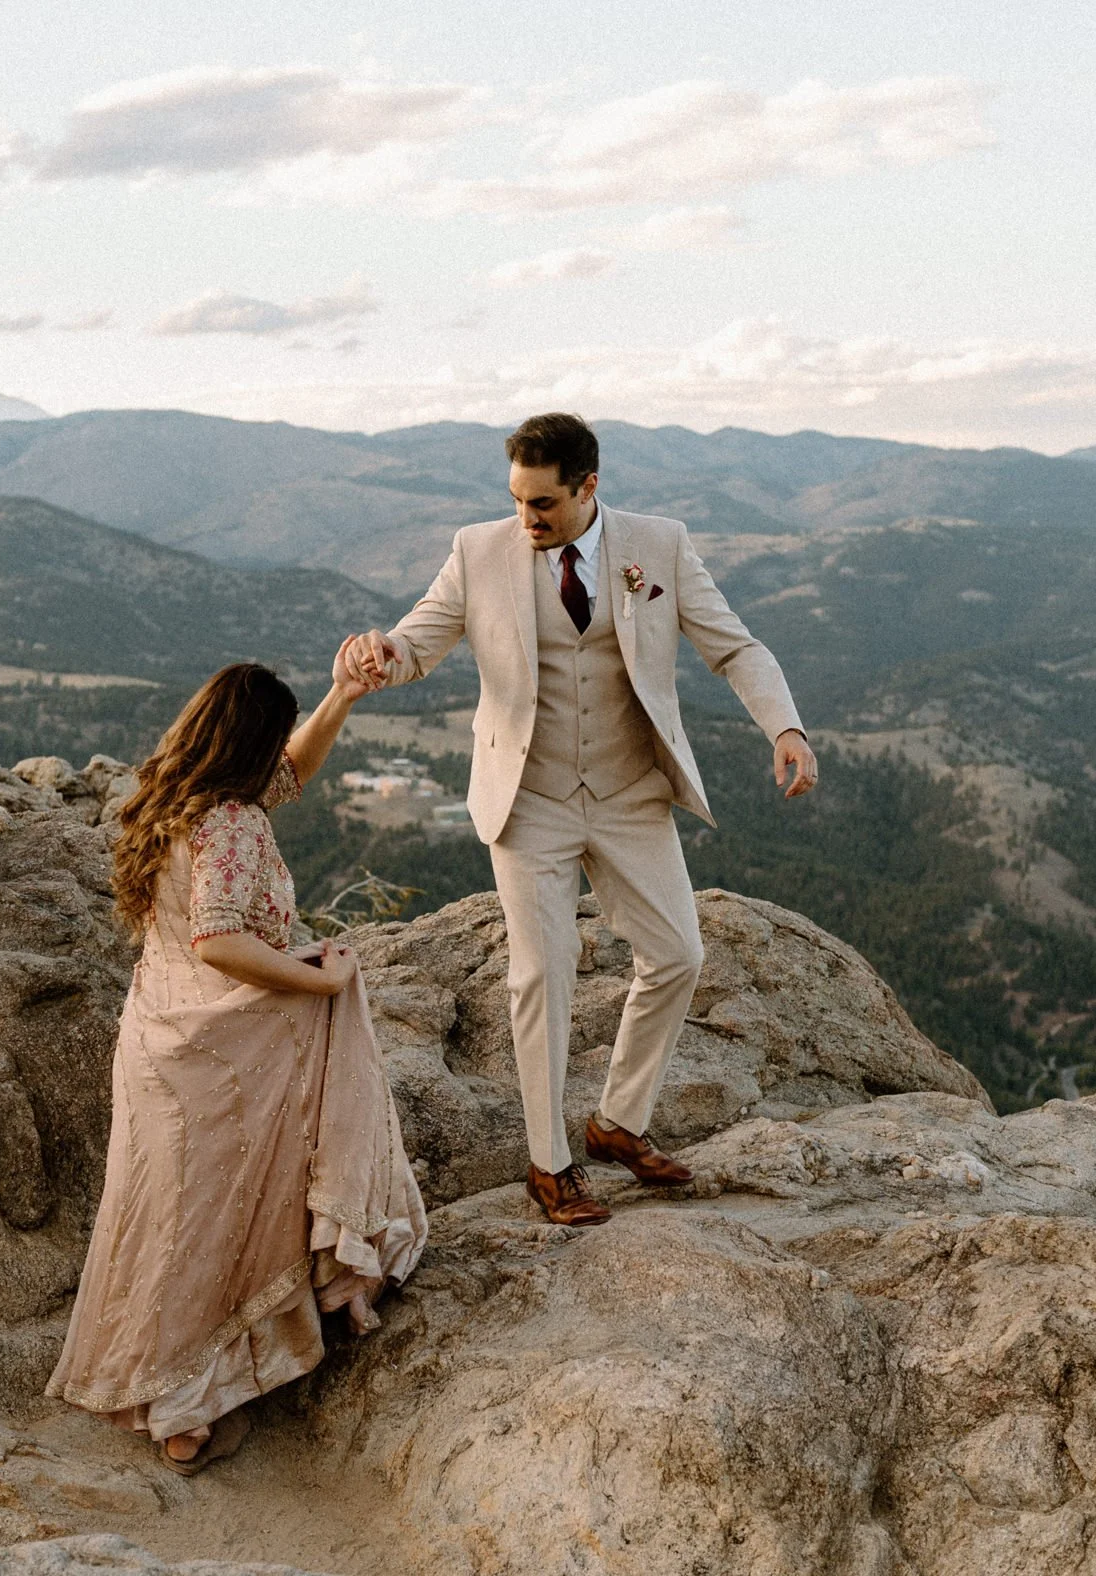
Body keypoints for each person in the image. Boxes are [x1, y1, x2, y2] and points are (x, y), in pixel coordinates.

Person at [342, 413, 816, 1227]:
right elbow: (416, 644)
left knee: (677, 954)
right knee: (543, 972)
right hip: (531, 798)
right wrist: (377, 652)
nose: (528, 519)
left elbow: (735, 648)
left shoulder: (657, 546)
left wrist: (786, 726)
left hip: (631, 792)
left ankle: (616, 1124)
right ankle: (549, 1164)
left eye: (545, 504)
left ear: (590, 487)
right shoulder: (477, 551)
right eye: (518, 501)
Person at [45, 661, 426, 1474]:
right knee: (206, 1225)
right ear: (249, 746)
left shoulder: (176, 798)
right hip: (212, 1056)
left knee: (169, 1221)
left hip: (160, 1037)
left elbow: (295, 769)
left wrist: (343, 698)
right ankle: (182, 1398)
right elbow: (221, 941)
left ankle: (175, 1385)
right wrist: (321, 976)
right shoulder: (229, 825)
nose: (281, 763)